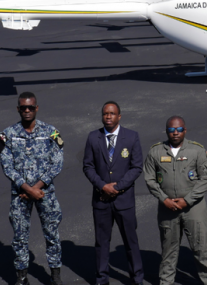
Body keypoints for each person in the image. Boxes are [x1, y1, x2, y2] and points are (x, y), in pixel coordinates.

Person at [0, 92, 64, 285]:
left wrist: (37, 187)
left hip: (45, 193)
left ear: (36, 108)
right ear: (18, 109)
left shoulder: (51, 132)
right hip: (20, 194)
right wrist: (27, 188)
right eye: (23, 108)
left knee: (52, 234)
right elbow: (6, 165)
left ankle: (55, 276)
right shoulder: (8, 134)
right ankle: (22, 276)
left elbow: (58, 162)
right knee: (19, 236)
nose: (27, 111)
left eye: (30, 107)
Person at [143, 116, 207, 285]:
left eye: (178, 129)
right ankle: (166, 282)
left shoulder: (197, 151)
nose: (175, 133)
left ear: (185, 130)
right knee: (168, 250)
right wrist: (164, 199)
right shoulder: (156, 151)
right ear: (166, 131)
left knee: (202, 249)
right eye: (171, 130)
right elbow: (149, 179)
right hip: (167, 209)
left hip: (193, 209)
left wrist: (188, 200)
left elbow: (206, 177)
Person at [83, 101, 144, 285]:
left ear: (119, 116)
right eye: (105, 114)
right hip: (101, 201)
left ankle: (137, 278)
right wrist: (103, 186)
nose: (108, 116)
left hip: (124, 201)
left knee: (130, 242)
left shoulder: (132, 137)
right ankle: (102, 279)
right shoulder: (94, 137)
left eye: (112, 113)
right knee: (102, 243)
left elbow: (136, 167)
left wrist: (116, 188)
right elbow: (88, 166)